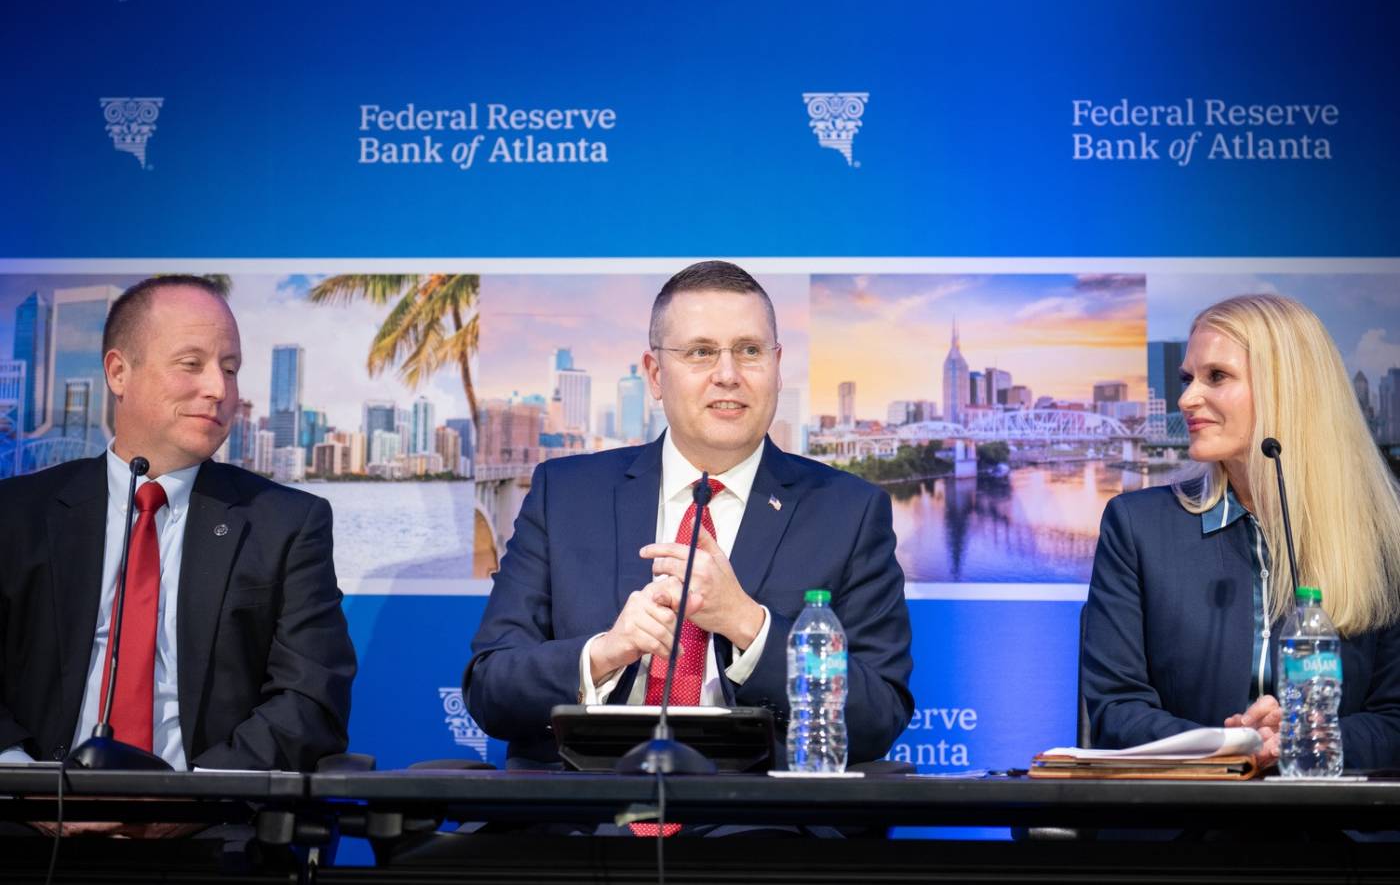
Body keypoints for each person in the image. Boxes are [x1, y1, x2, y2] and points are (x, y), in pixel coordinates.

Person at [466, 261, 914, 768]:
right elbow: (490, 688)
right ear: (655, 375)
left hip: (761, 821)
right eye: (701, 353)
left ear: (777, 365)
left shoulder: (848, 512)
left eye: (750, 351)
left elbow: (879, 715)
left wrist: (750, 625)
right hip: (582, 818)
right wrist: (605, 653)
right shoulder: (565, 495)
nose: (728, 375)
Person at [0, 275, 356, 771]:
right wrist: (24, 782)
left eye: (230, 370)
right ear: (119, 372)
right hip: (30, 819)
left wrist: (195, 795)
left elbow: (309, 701)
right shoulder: (17, 515)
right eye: (192, 365)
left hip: (208, 827)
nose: (218, 389)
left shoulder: (287, 525)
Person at [1083, 293, 1400, 770]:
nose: (1187, 399)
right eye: (1187, 378)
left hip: (1336, 828)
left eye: (1217, 377)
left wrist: (1299, 741)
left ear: (1287, 390)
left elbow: (1394, 719)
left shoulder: (1385, 534)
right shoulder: (1136, 527)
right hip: (1181, 825)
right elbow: (1116, 710)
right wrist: (1232, 744)